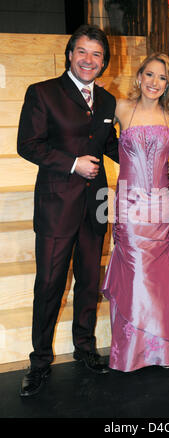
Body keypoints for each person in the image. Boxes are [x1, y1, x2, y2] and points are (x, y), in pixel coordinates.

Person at [17, 24, 119, 396]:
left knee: (89, 283)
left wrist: (149, 164)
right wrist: (73, 163)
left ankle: (85, 349)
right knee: (48, 286)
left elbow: (110, 144)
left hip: (95, 206)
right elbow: (28, 144)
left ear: (104, 61)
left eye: (96, 54)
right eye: (82, 52)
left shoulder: (107, 100)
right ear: (69, 54)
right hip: (57, 206)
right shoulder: (43, 92)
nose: (89, 60)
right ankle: (40, 361)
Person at [101, 53, 169, 372]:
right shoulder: (121, 108)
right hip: (129, 204)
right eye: (149, 75)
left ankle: (162, 350)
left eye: (162, 78)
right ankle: (133, 351)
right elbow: (95, 136)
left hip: (160, 205)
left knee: (159, 275)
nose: (155, 82)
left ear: (168, 84)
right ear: (139, 77)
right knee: (136, 272)